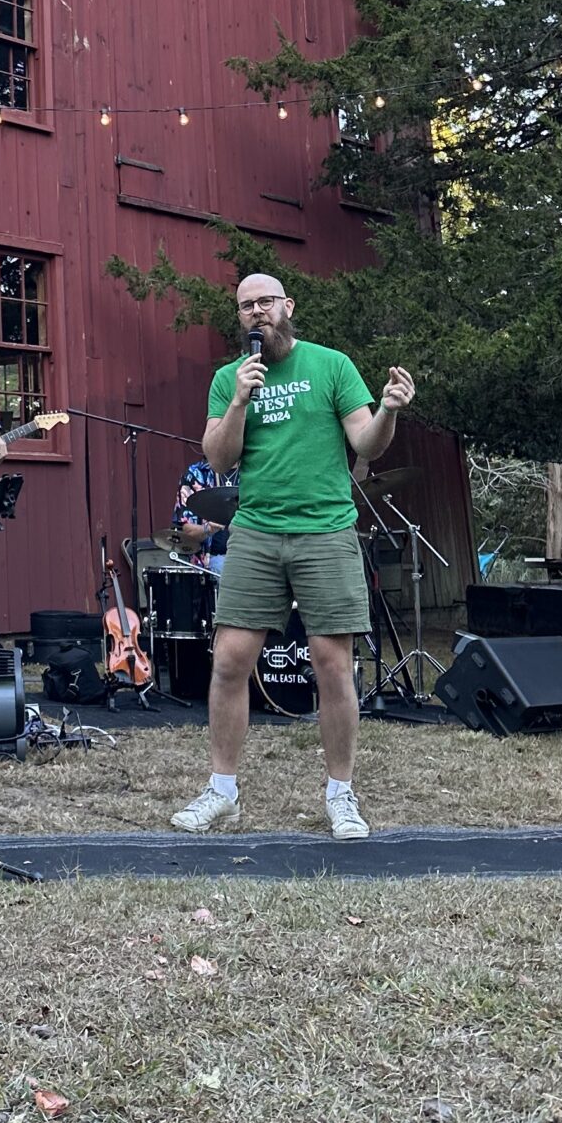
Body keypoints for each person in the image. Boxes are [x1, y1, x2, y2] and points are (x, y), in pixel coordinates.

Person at [172, 273, 414, 841]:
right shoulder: (229, 378)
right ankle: (223, 792)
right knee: (229, 661)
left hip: (325, 531)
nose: (257, 312)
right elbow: (219, 459)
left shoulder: (331, 365)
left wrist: (388, 410)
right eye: (246, 306)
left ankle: (341, 795)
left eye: (266, 302)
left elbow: (366, 443)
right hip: (255, 533)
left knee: (333, 665)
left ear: (287, 306)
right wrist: (239, 400)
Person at [172, 456, 238, 576]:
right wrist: (209, 528)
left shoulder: (254, 472)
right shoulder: (196, 474)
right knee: (222, 567)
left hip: (250, 554)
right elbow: (187, 532)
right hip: (212, 560)